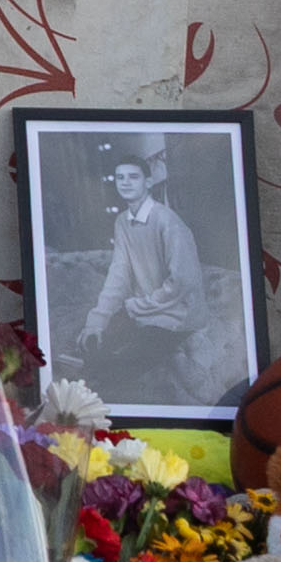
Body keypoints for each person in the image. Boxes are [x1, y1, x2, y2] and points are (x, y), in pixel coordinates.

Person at [65, 136, 220, 405]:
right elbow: (118, 274)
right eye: (120, 177)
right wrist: (96, 321)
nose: (125, 183)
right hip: (145, 310)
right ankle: (78, 400)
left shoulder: (168, 221)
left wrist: (139, 305)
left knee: (122, 365)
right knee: (90, 344)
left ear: (148, 182)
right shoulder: (122, 222)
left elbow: (182, 281)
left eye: (133, 177)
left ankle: (100, 411)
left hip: (178, 316)